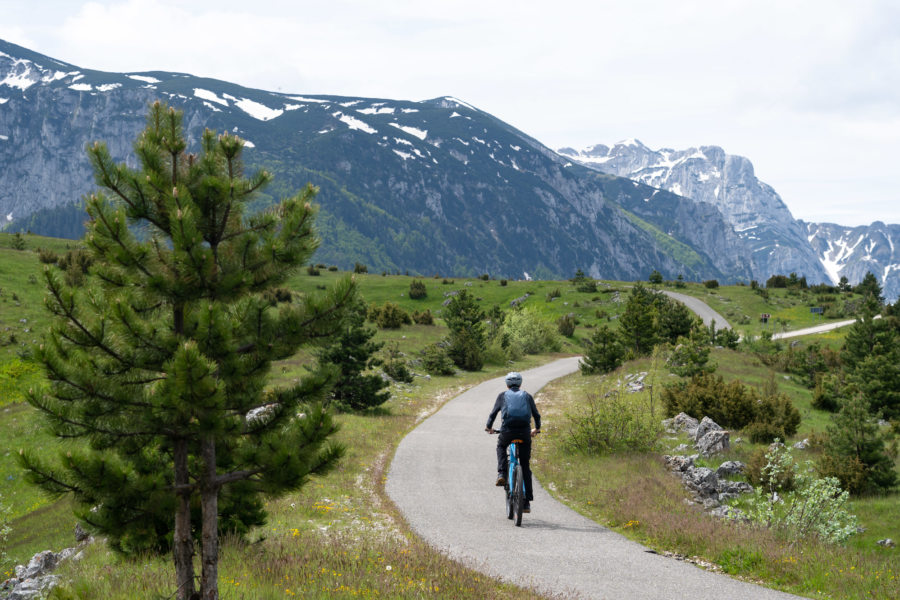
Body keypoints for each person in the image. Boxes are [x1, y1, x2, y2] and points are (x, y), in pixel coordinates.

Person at [485, 371, 540, 512]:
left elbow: (493, 414)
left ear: (507, 384)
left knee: (501, 446)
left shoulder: (502, 396)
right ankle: (526, 503)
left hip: (507, 431)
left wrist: (489, 427)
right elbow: (536, 414)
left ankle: (502, 474)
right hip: (524, 432)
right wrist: (536, 429)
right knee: (525, 466)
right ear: (520, 384)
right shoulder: (527, 396)